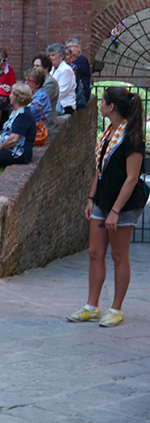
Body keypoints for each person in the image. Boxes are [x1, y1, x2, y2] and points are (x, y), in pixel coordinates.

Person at [67, 87, 144, 328]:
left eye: (102, 101)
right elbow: (99, 171)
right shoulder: (107, 133)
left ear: (111, 107)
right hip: (102, 200)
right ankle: (92, 306)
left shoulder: (132, 138)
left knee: (118, 255)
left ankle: (116, 309)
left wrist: (115, 211)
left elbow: (131, 178)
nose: (99, 104)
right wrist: (91, 198)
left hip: (123, 205)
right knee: (94, 253)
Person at [47, 42, 76, 115]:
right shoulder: (51, 69)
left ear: (61, 56)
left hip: (64, 105)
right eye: (49, 55)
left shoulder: (66, 70)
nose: (50, 58)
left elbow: (61, 91)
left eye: (53, 55)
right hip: (52, 103)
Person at [33, 53, 59, 130]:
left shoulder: (50, 83)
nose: (34, 68)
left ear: (46, 68)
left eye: (37, 66)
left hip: (46, 121)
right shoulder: (35, 81)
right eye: (34, 65)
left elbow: (40, 103)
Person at [65, 37, 91, 103]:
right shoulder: (72, 61)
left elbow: (70, 72)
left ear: (78, 48)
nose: (68, 49)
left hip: (81, 96)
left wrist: (70, 61)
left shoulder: (82, 60)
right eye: (66, 47)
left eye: (70, 47)